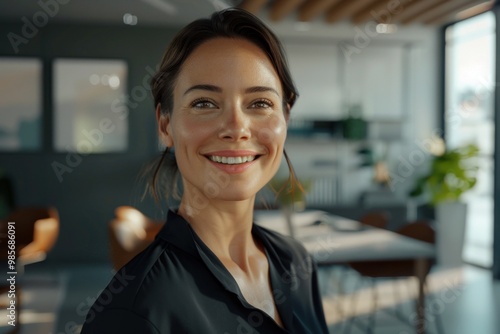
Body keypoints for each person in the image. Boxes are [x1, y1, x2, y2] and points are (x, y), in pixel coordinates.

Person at [81, 8, 329, 334]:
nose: (237, 128)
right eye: (204, 103)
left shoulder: (296, 263)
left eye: (259, 103)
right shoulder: (135, 310)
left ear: (286, 118)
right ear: (165, 125)